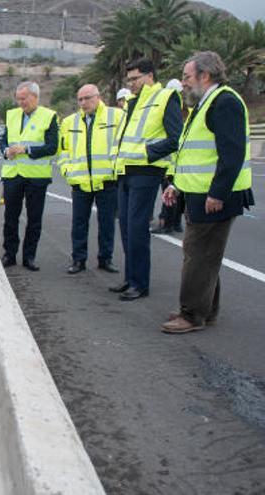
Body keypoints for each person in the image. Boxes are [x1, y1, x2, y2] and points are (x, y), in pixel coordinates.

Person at [160, 51, 254, 333]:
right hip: (200, 194)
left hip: (216, 197)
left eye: (187, 77)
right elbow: (196, 155)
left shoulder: (224, 103)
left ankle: (191, 315)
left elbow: (232, 154)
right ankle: (206, 309)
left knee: (198, 255)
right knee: (203, 254)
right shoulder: (206, 103)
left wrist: (218, 193)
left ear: (205, 75)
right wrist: (176, 185)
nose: (183, 82)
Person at [111, 58, 182, 301]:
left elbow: (175, 138)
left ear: (149, 76)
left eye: (135, 79)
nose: (131, 84)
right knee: (126, 227)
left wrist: (146, 154)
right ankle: (130, 278)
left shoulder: (165, 97)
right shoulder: (131, 102)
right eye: (128, 80)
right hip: (125, 172)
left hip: (146, 172)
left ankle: (140, 283)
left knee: (137, 228)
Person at [58, 84, 124, 274]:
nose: (83, 103)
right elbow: (63, 151)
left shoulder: (116, 116)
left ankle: (105, 259)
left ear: (98, 97)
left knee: (107, 223)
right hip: (80, 182)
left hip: (107, 181)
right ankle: (78, 260)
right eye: (80, 99)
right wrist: (67, 170)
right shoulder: (69, 122)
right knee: (79, 223)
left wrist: (115, 170)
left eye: (87, 98)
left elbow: (122, 145)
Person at [0, 81, 59, 271]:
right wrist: (6, 150)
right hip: (13, 174)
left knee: (34, 219)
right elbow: (3, 141)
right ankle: (9, 254)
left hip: (36, 177)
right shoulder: (12, 115)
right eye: (18, 99)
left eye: (23, 98)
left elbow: (52, 147)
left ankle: (29, 257)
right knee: (10, 217)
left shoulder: (48, 116)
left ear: (35, 97)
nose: (20, 102)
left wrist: (26, 149)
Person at [152, 78, 187, 235]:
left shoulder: (172, 112)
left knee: (170, 196)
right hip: (176, 164)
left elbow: (173, 140)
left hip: (170, 165)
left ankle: (166, 224)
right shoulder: (181, 111)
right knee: (177, 196)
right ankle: (176, 223)